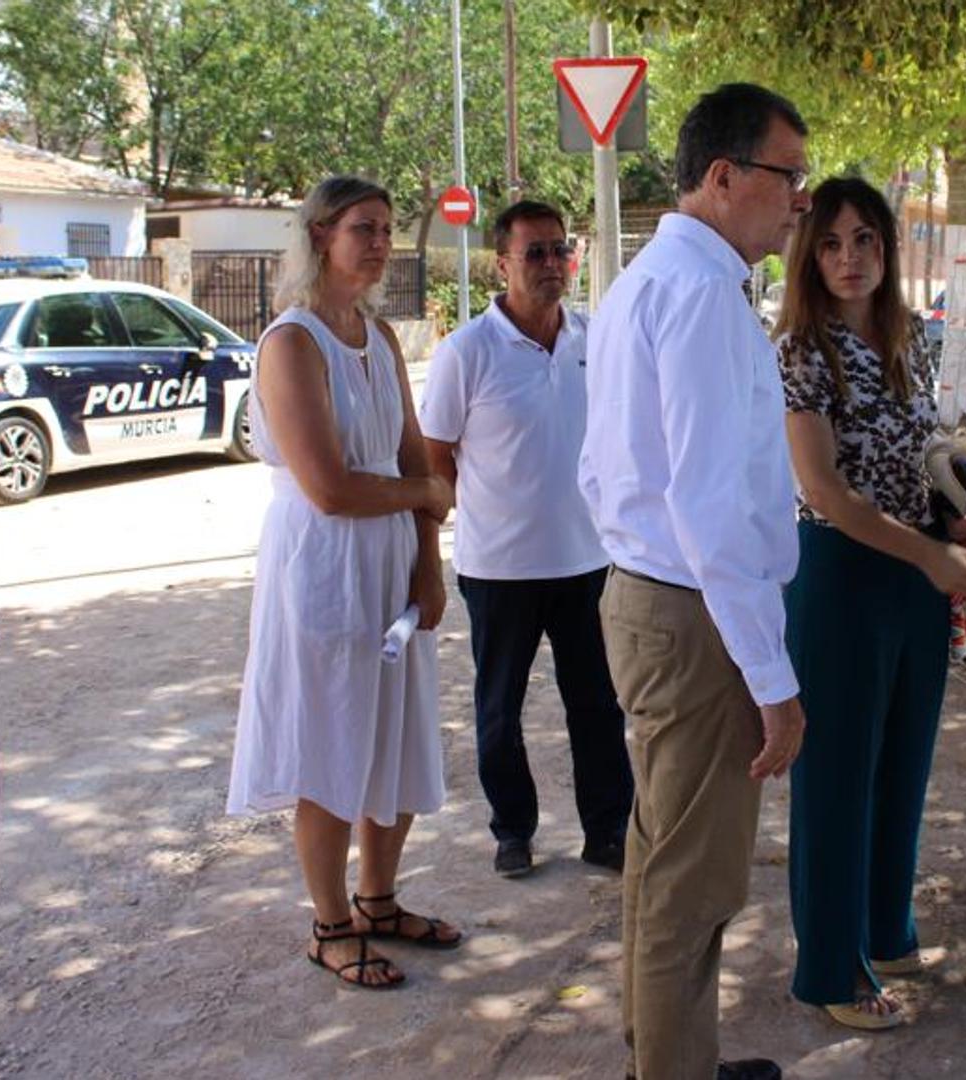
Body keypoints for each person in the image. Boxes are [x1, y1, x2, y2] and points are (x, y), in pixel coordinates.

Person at [580, 82, 811, 1080]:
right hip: (692, 614)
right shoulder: (699, 294)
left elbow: (615, 469)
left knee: (661, 855)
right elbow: (710, 510)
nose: (797, 200)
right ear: (723, 177)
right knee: (692, 880)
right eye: (784, 176)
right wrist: (772, 681)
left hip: (652, 600)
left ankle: (664, 1055)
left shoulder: (653, 280)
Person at [226, 176, 462, 990]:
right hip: (323, 567)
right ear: (320, 234)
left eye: (388, 228)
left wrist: (428, 564)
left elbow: (407, 454)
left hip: (390, 562)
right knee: (330, 742)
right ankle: (328, 923)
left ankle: (379, 899)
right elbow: (328, 486)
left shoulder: (379, 338)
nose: (380, 241)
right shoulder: (292, 343)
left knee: (393, 737)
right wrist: (424, 496)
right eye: (364, 227)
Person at [774, 178, 966, 1031]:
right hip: (841, 571)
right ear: (809, 255)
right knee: (835, 778)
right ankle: (831, 969)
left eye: (864, 240)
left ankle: (884, 928)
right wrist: (931, 556)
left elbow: (924, 448)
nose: (848, 259)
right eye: (829, 244)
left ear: (888, 249)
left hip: (916, 566)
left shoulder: (912, 338)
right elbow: (823, 490)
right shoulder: (799, 348)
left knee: (904, 759)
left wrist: (963, 518)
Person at [420, 200, 633, 879]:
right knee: (499, 707)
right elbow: (435, 455)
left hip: (588, 561)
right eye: (534, 252)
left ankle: (607, 831)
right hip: (499, 568)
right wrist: (486, 509)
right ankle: (512, 831)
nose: (550, 264)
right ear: (502, 262)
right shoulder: (466, 352)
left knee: (597, 706)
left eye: (559, 250)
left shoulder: (594, 340)